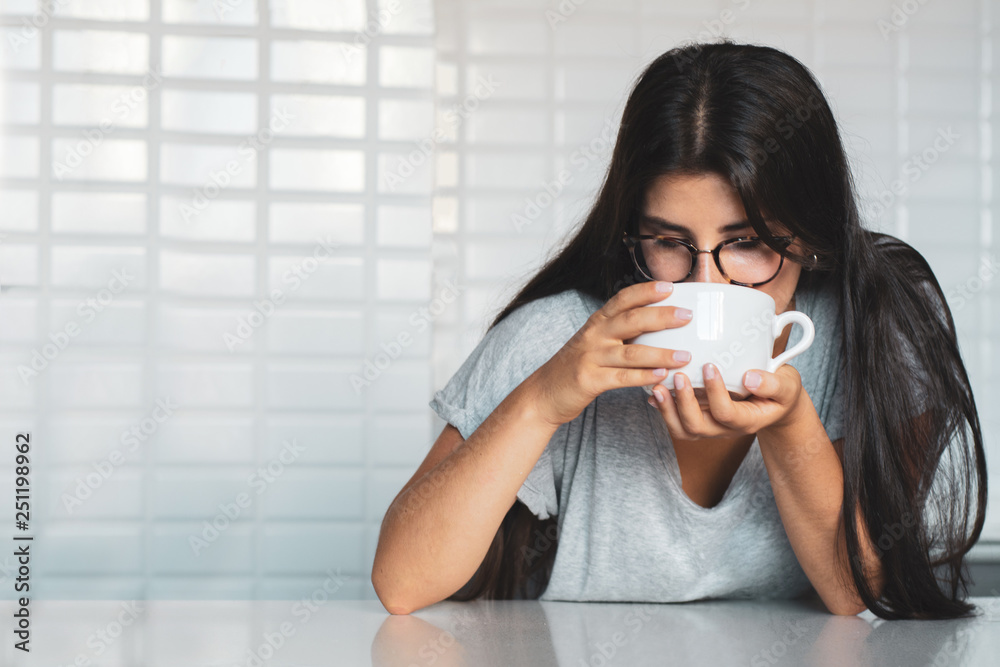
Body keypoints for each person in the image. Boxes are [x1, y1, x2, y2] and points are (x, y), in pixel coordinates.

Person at [371, 40, 987, 620]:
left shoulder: (880, 323)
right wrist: (540, 401)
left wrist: (789, 426)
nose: (705, 285)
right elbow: (402, 584)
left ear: (811, 237)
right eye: (670, 241)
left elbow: (855, 594)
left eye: (745, 242)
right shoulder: (560, 339)